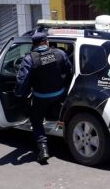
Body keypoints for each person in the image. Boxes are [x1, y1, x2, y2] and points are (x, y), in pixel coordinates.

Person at [15, 32, 72, 163]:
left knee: (36, 120)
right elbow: (69, 70)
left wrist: (19, 94)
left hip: (41, 97)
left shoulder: (29, 59)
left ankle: (44, 149)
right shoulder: (60, 53)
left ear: (33, 44)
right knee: (56, 109)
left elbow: (22, 80)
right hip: (59, 94)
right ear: (46, 42)